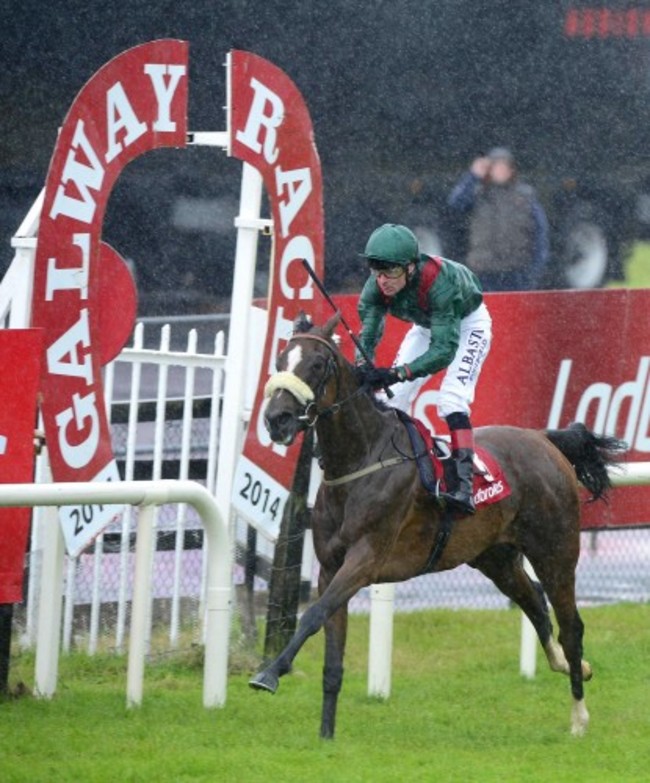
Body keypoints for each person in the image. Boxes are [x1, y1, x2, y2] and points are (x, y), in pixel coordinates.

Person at [355, 223, 492, 515]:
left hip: (467, 324)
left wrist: (398, 372)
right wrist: (361, 369)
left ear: (411, 268)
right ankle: (390, 474)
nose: (383, 280)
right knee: (393, 399)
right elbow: (369, 334)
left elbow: (444, 350)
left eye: (390, 271)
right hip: (427, 325)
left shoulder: (440, 283)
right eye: (375, 270)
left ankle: (464, 487)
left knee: (451, 399)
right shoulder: (375, 287)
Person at [447, 147, 549, 291]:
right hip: (483, 272)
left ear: (511, 170)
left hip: (515, 273)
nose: (500, 171)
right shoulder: (477, 194)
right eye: (496, 167)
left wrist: (534, 272)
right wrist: (473, 175)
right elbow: (455, 204)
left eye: (504, 166)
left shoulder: (525, 198)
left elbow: (540, 236)